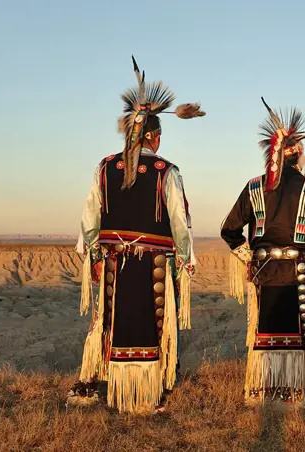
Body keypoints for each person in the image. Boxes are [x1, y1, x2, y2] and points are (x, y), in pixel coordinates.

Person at [68, 56, 205, 415]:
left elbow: (89, 218)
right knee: (151, 325)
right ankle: (146, 394)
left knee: (113, 322)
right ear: (155, 136)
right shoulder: (166, 171)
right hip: (154, 265)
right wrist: (186, 259)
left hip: (115, 263)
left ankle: (115, 388)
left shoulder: (105, 167)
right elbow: (179, 219)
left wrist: (94, 254)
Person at [221, 97, 305, 407]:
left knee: (263, 329)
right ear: (298, 155)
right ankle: (292, 391)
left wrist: (250, 259)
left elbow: (229, 230)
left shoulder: (253, 187)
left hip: (264, 273)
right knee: (297, 333)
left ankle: (263, 389)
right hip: (298, 273)